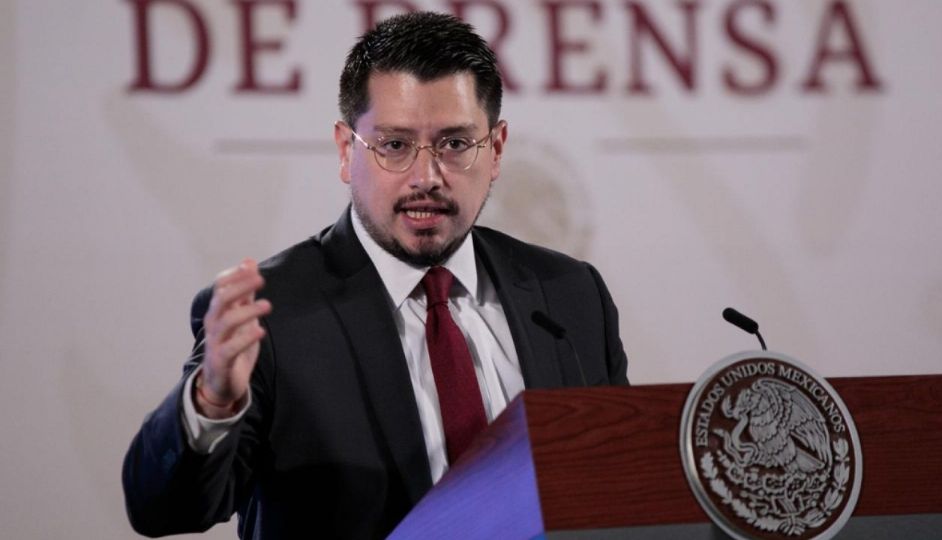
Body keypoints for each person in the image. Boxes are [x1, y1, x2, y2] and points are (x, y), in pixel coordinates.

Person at [123, 11, 628, 539]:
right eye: (394, 145)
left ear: (495, 150)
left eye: (455, 144)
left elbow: (619, 493)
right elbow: (164, 510)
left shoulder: (570, 298)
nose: (425, 177)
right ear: (347, 151)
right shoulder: (275, 315)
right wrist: (212, 403)